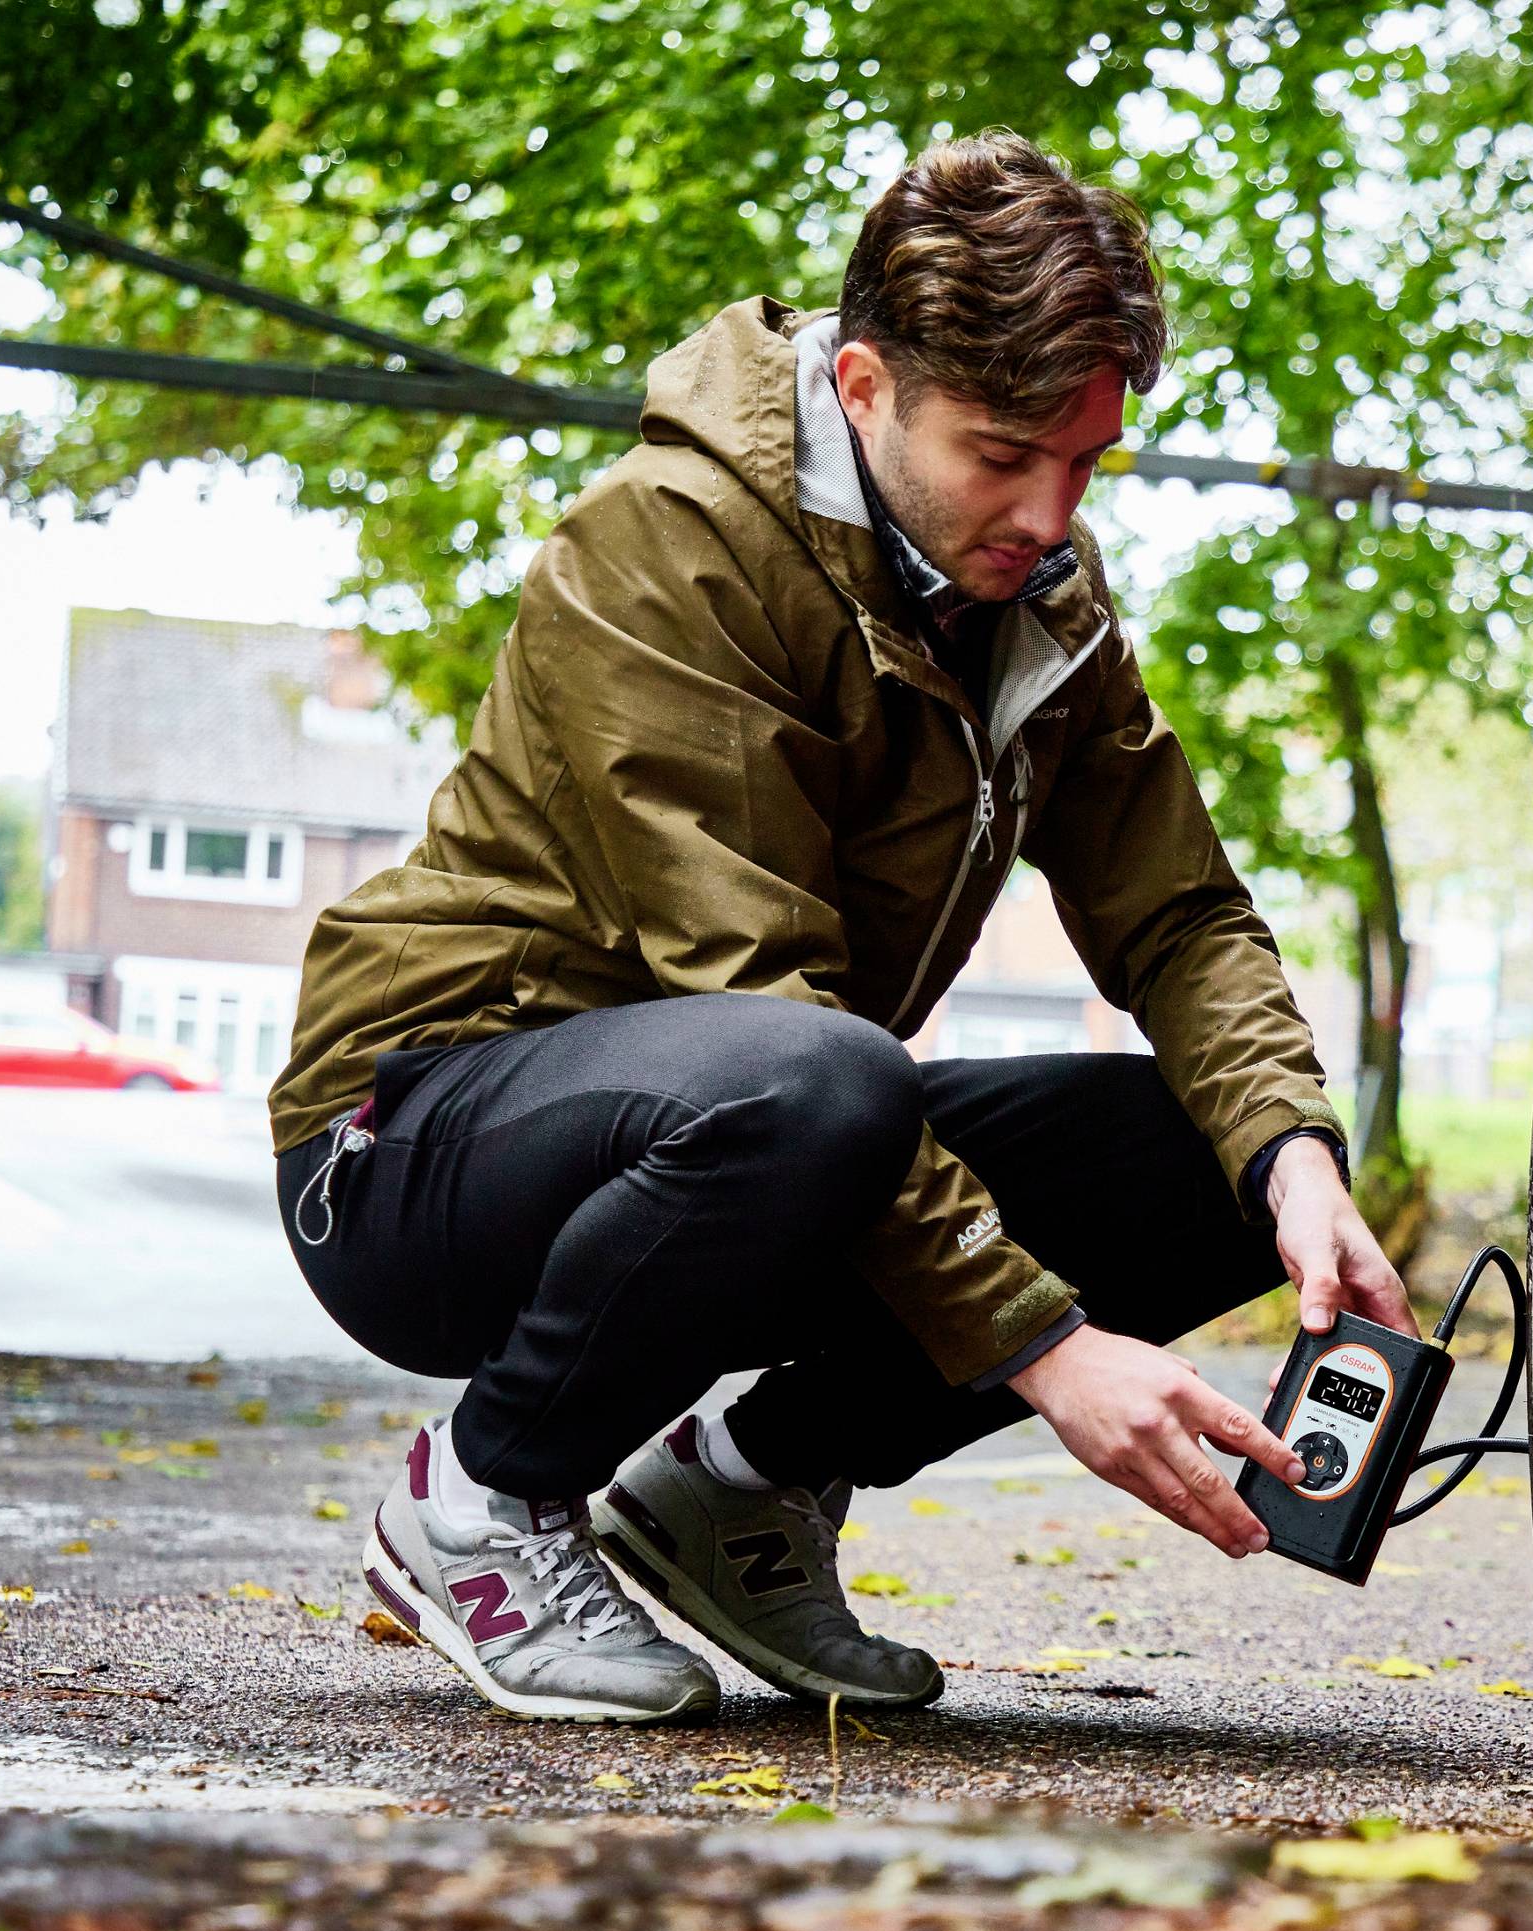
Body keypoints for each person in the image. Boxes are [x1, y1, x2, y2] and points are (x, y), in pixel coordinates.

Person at [268, 131, 1415, 1724]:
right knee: (827, 1077)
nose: (1047, 510)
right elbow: (753, 992)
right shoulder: (665, 545)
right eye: (1005, 451)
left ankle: (734, 1492)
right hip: (416, 1142)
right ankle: (475, 1499)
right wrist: (1051, 1353)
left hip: (753, 1115)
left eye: (1086, 463)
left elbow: (1182, 914)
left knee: (1205, 1158)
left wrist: (1297, 1161)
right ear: (864, 385)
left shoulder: (1041, 613)